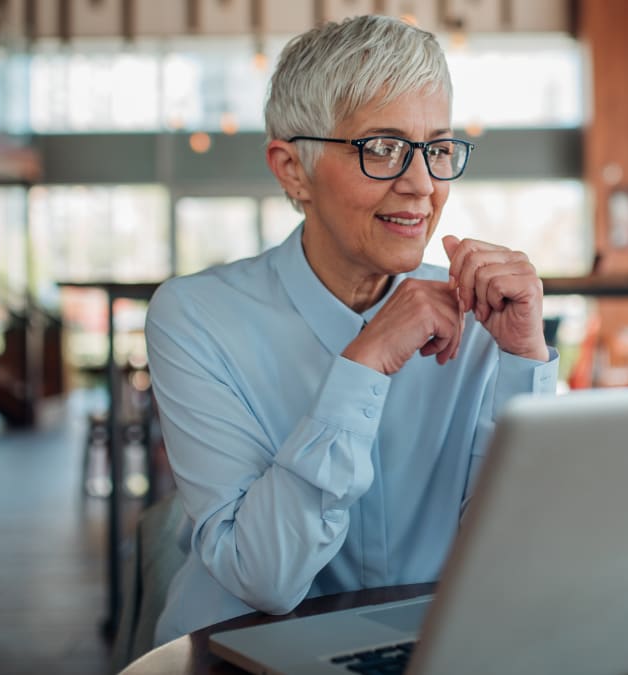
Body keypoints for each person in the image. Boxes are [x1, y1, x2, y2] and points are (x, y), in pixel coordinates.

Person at [145, 14, 559, 644]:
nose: (421, 185)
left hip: (431, 648)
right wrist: (362, 365)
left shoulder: (483, 316)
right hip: (241, 652)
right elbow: (267, 577)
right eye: (382, 148)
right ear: (292, 170)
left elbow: (520, 557)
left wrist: (524, 363)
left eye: (438, 149)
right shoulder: (195, 319)